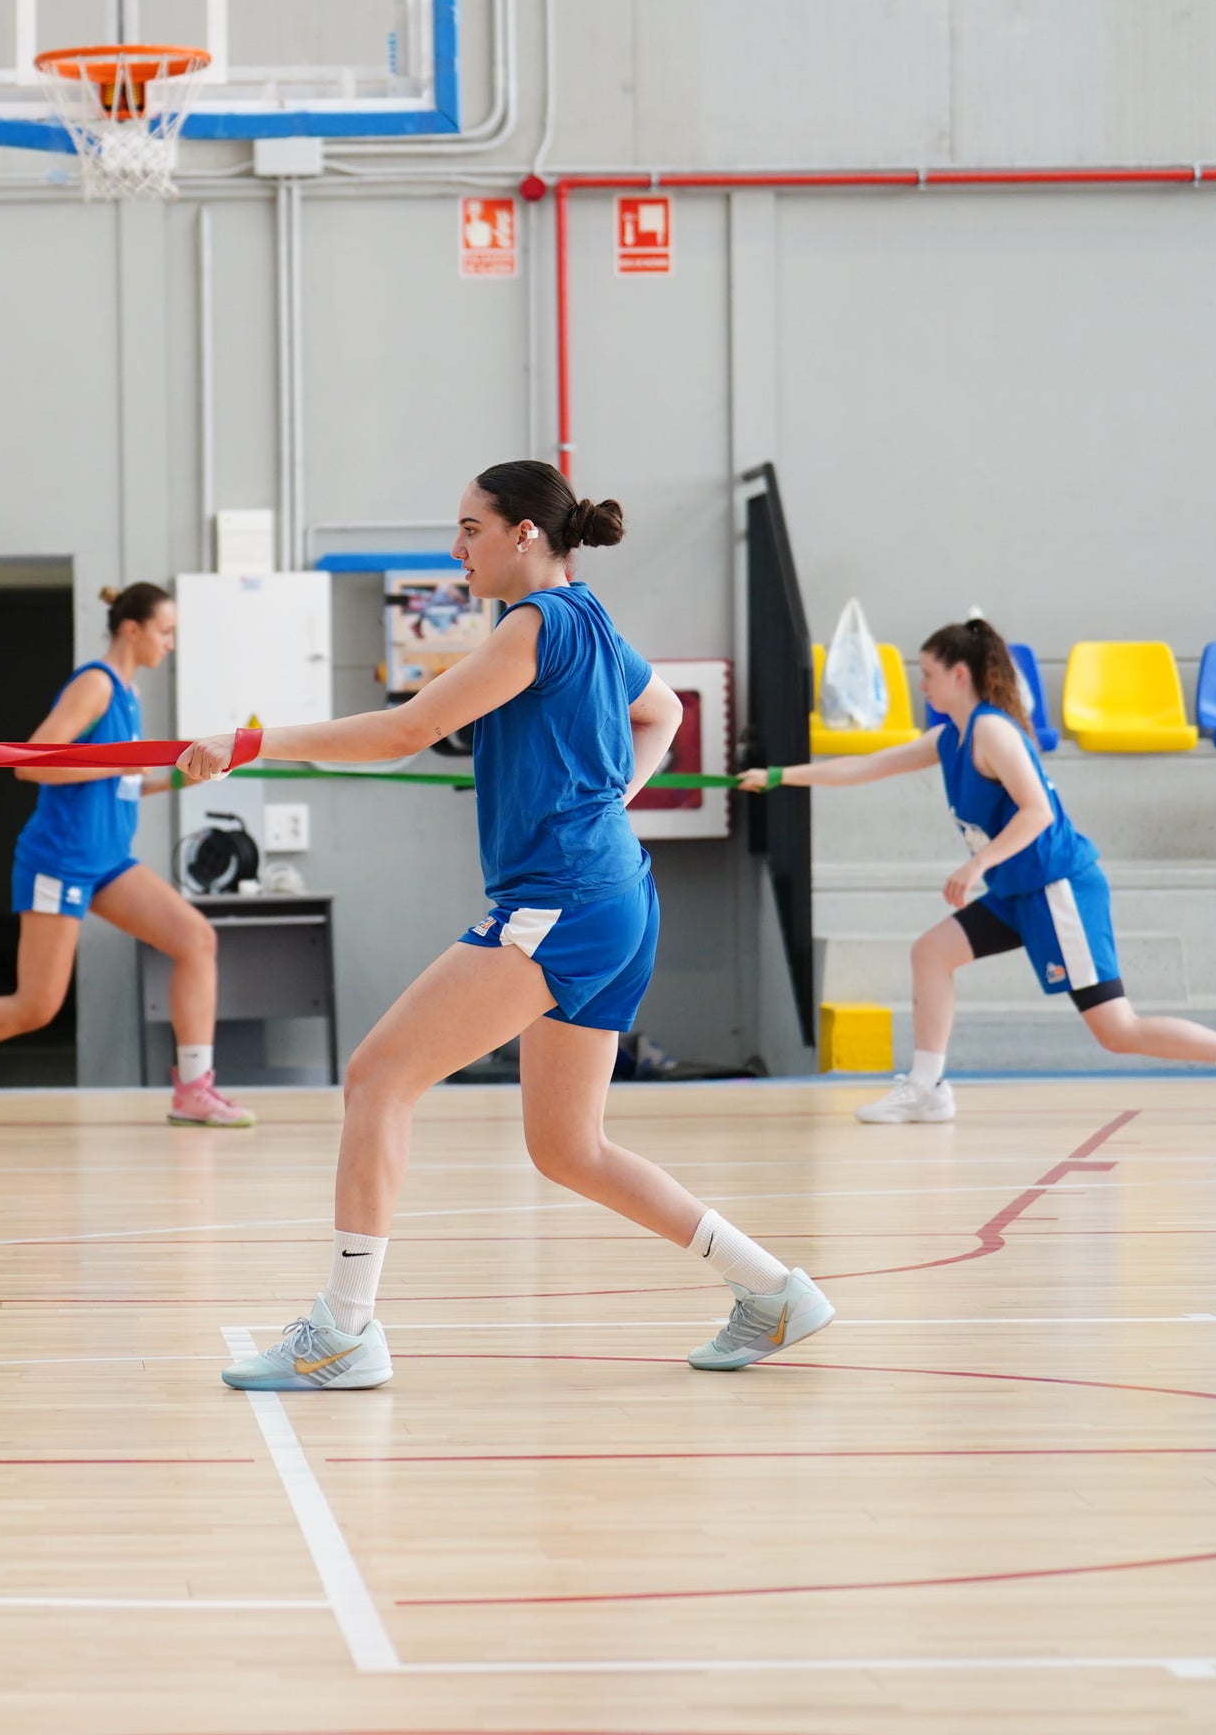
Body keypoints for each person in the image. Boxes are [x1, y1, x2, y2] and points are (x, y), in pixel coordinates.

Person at [184, 462, 832, 1388]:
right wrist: (613, 802)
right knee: (569, 1147)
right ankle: (771, 1292)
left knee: (376, 1077)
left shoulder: (537, 624)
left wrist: (253, 744)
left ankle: (342, 1331)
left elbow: (406, 731)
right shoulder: (591, 620)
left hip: (561, 902)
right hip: (618, 896)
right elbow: (666, 713)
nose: (457, 551)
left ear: (525, 532)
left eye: (469, 530)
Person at [740, 618, 1216, 1125]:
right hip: (1016, 889)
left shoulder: (993, 732)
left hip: (1058, 888)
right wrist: (779, 776)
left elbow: (1039, 811)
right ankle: (927, 1088)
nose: (922, 685)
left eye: (929, 674)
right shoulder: (950, 737)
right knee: (931, 954)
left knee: (1117, 1030)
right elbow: (866, 766)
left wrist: (976, 863)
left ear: (960, 674)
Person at [0, 583, 248, 1126]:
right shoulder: (95, 685)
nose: (170, 644)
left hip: (108, 861)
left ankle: (193, 1090)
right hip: (61, 860)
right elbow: (34, 763)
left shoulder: (130, 695)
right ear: (132, 628)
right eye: (165, 632)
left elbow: (119, 783)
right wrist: (120, 765)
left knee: (195, 941)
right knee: (35, 1007)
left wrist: (183, 780)